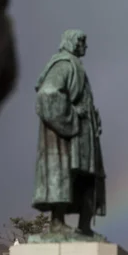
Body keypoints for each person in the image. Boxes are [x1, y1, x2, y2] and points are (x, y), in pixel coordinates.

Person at [32, 29, 106, 236]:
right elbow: (47, 94)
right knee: (63, 174)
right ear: (73, 42)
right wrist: (72, 114)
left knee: (88, 177)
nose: (86, 46)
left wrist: (92, 116)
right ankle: (57, 223)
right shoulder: (63, 64)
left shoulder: (75, 65)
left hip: (84, 135)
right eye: (83, 41)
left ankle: (84, 227)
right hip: (68, 135)